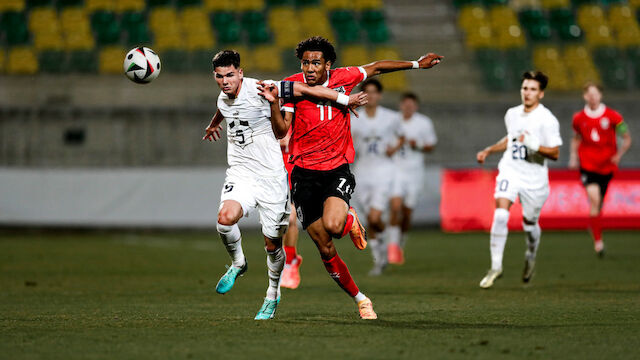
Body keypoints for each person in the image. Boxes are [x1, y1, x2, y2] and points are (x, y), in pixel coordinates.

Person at [259, 36, 442, 318]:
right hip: (303, 173)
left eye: (315, 63)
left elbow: (378, 67)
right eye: (305, 62)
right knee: (324, 246)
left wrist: (417, 64)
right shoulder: (292, 85)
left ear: (328, 65)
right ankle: (361, 298)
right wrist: (273, 103)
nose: (309, 68)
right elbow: (282, 131)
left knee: (333, 225)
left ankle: (348, 218)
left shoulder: (345, 78)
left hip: (336, 168)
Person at [202, 50, 368, 319]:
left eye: (230, 75)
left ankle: (272, 294)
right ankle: (238, 262)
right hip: (241, 174)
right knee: (224, 219)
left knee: (272, 245)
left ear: (240, 73)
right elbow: (224, 108)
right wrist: (212, 125)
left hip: (272, 177)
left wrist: (344, 98)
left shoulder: (263, 87)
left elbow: (306, 90)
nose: (225, 81)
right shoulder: (223, 95)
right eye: (220, 76)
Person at [476, 71, 562, 289]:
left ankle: (530, 255)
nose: (527, 93)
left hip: (534, 179)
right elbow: (510, 139)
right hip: (510, 171)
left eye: (533, 89)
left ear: (541, 94)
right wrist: (489, 150)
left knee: (530, 224)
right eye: (525, 88)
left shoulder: (547, 120)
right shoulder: (512, 114)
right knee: (501, 213)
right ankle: (496, 266)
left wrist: (535, 145)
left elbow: (555, 153)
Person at [569, 82, 632, 257]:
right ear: (584, 96)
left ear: (601, 96)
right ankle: (598, 243)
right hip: (587, 165)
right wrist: (573, 157)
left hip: (607, 166)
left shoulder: (613, 117)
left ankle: (594, 224)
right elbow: (576, 138)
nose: (593, 97)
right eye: (589, 94)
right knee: (595, 200)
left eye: (595, 94)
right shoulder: (578, 118)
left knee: (598, 205)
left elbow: (626, 138)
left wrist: (619, 154)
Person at [350, 78, 404, 276]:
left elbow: (402, 135)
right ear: (362, 96)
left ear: (379, 95)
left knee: (374, 216)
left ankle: (384, 244)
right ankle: (379, 257)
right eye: (367, 92)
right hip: (362, 171)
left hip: (383, 171)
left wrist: (394, 148)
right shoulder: (354, 117)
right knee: (369, 220)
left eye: (374, 92)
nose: (371, 96)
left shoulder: (391, 117)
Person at [387, 92, 437, 265]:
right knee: (395, 206)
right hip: (396, 171)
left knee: (407, 212)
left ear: (416, 107)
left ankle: (400, 243)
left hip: (415, 172)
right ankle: (392, 246)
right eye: (405, 105)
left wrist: (419, 145)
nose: (408, 108)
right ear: (400, 105)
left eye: (411, 105)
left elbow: (431, 145)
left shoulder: (423, 123)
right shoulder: (392, 121)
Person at [279, 129, 303, 289]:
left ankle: (288, 263)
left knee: (291, 218)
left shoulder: (299, 115)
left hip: (296, 174)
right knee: (277, 225)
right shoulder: (267, 115)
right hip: (274, 176)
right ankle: (291, 257)